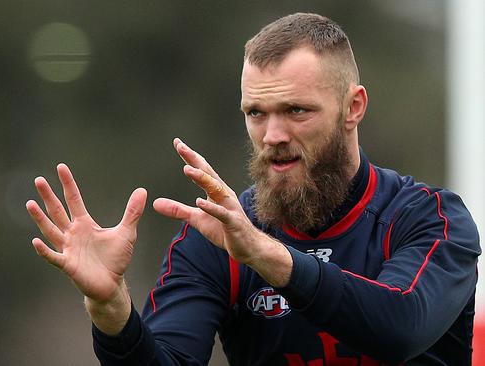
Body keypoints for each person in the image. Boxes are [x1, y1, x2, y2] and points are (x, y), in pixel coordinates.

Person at [25, 13, 481, 365]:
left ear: (353, 107)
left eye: (297, 110)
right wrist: (111, 312)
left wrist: (267, 257)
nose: (273, 135)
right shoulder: (212, 238)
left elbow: (399, 328)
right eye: (256, 113)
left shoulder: (431, 218)